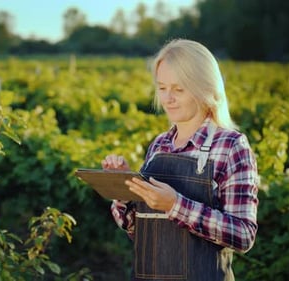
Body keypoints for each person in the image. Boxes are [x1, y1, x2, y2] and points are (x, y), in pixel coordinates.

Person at [102, 39, 259, 281]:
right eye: (162, 88)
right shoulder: (159, 145)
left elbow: (243, 235)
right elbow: (139, 231)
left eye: (179, 89)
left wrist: (175, 205)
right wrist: (125, 190)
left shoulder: (230, 146)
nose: (167, 99)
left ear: (204, 88)